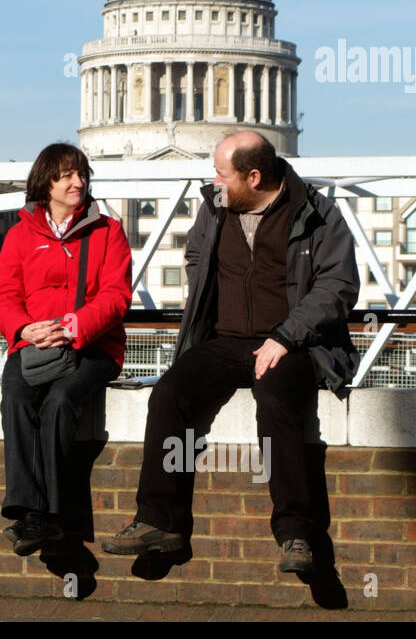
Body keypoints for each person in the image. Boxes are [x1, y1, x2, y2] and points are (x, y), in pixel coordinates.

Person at [103, 131, 359, 574]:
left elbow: (338, 285)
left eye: (221, 173)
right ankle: (159, 523)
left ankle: (296, 533)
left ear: (253, 176)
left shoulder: (317, 213)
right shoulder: (215, 207)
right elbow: (196, 254)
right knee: (169, 394)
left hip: (292, 343)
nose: (214, 181)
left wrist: (286, 335)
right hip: (224, 341)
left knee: (278, 401)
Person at [0, 143, 132, 555]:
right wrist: (25, 329)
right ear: (45, 182)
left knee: (60, 401)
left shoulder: (108, 231)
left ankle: (44, 517)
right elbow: (2, 296)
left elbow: (116, 296)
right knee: (15, 397)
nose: (78, 181)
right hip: (35, 344)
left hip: (93, 346)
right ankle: (27, 510)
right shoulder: (20, 234)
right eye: (67, 175)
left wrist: (74, 326)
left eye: (81, 174)